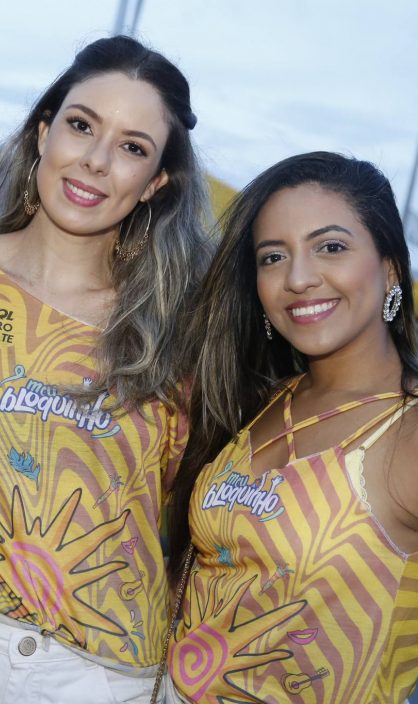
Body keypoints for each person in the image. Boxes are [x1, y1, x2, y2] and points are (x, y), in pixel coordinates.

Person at [0, 34, 209, 703]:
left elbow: (187, 513)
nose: (96, 161)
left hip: (105, 676)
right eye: (82, 126)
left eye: (133, 148)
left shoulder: (182, 328)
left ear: (156, 183)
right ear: (45, 131)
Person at [166, 152, 418, 703]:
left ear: (391, 268)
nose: (299, 278)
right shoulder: (259, 400)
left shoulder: (408, 433)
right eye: (273, 256)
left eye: (331, 247)